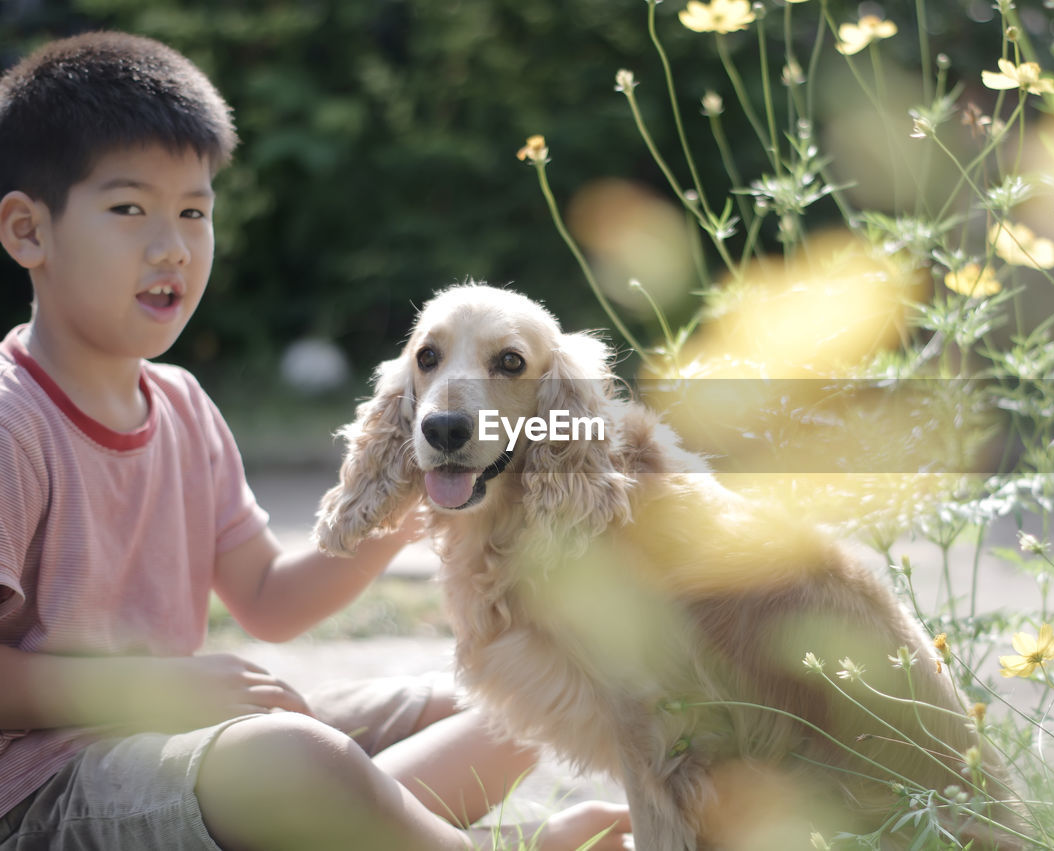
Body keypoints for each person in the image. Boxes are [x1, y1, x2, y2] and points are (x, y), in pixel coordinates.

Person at [0, 31, 629, 851]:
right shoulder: (14, 418)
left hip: (187, 745)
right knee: (294, 755)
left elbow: (269, 596)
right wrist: (160, 690)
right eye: (130, 209)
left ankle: (341, 828)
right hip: (45, 791)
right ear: (27, 231)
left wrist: (421, 482)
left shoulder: (183, 404)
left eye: (194, 211)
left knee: (511, 702)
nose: (173, 246)